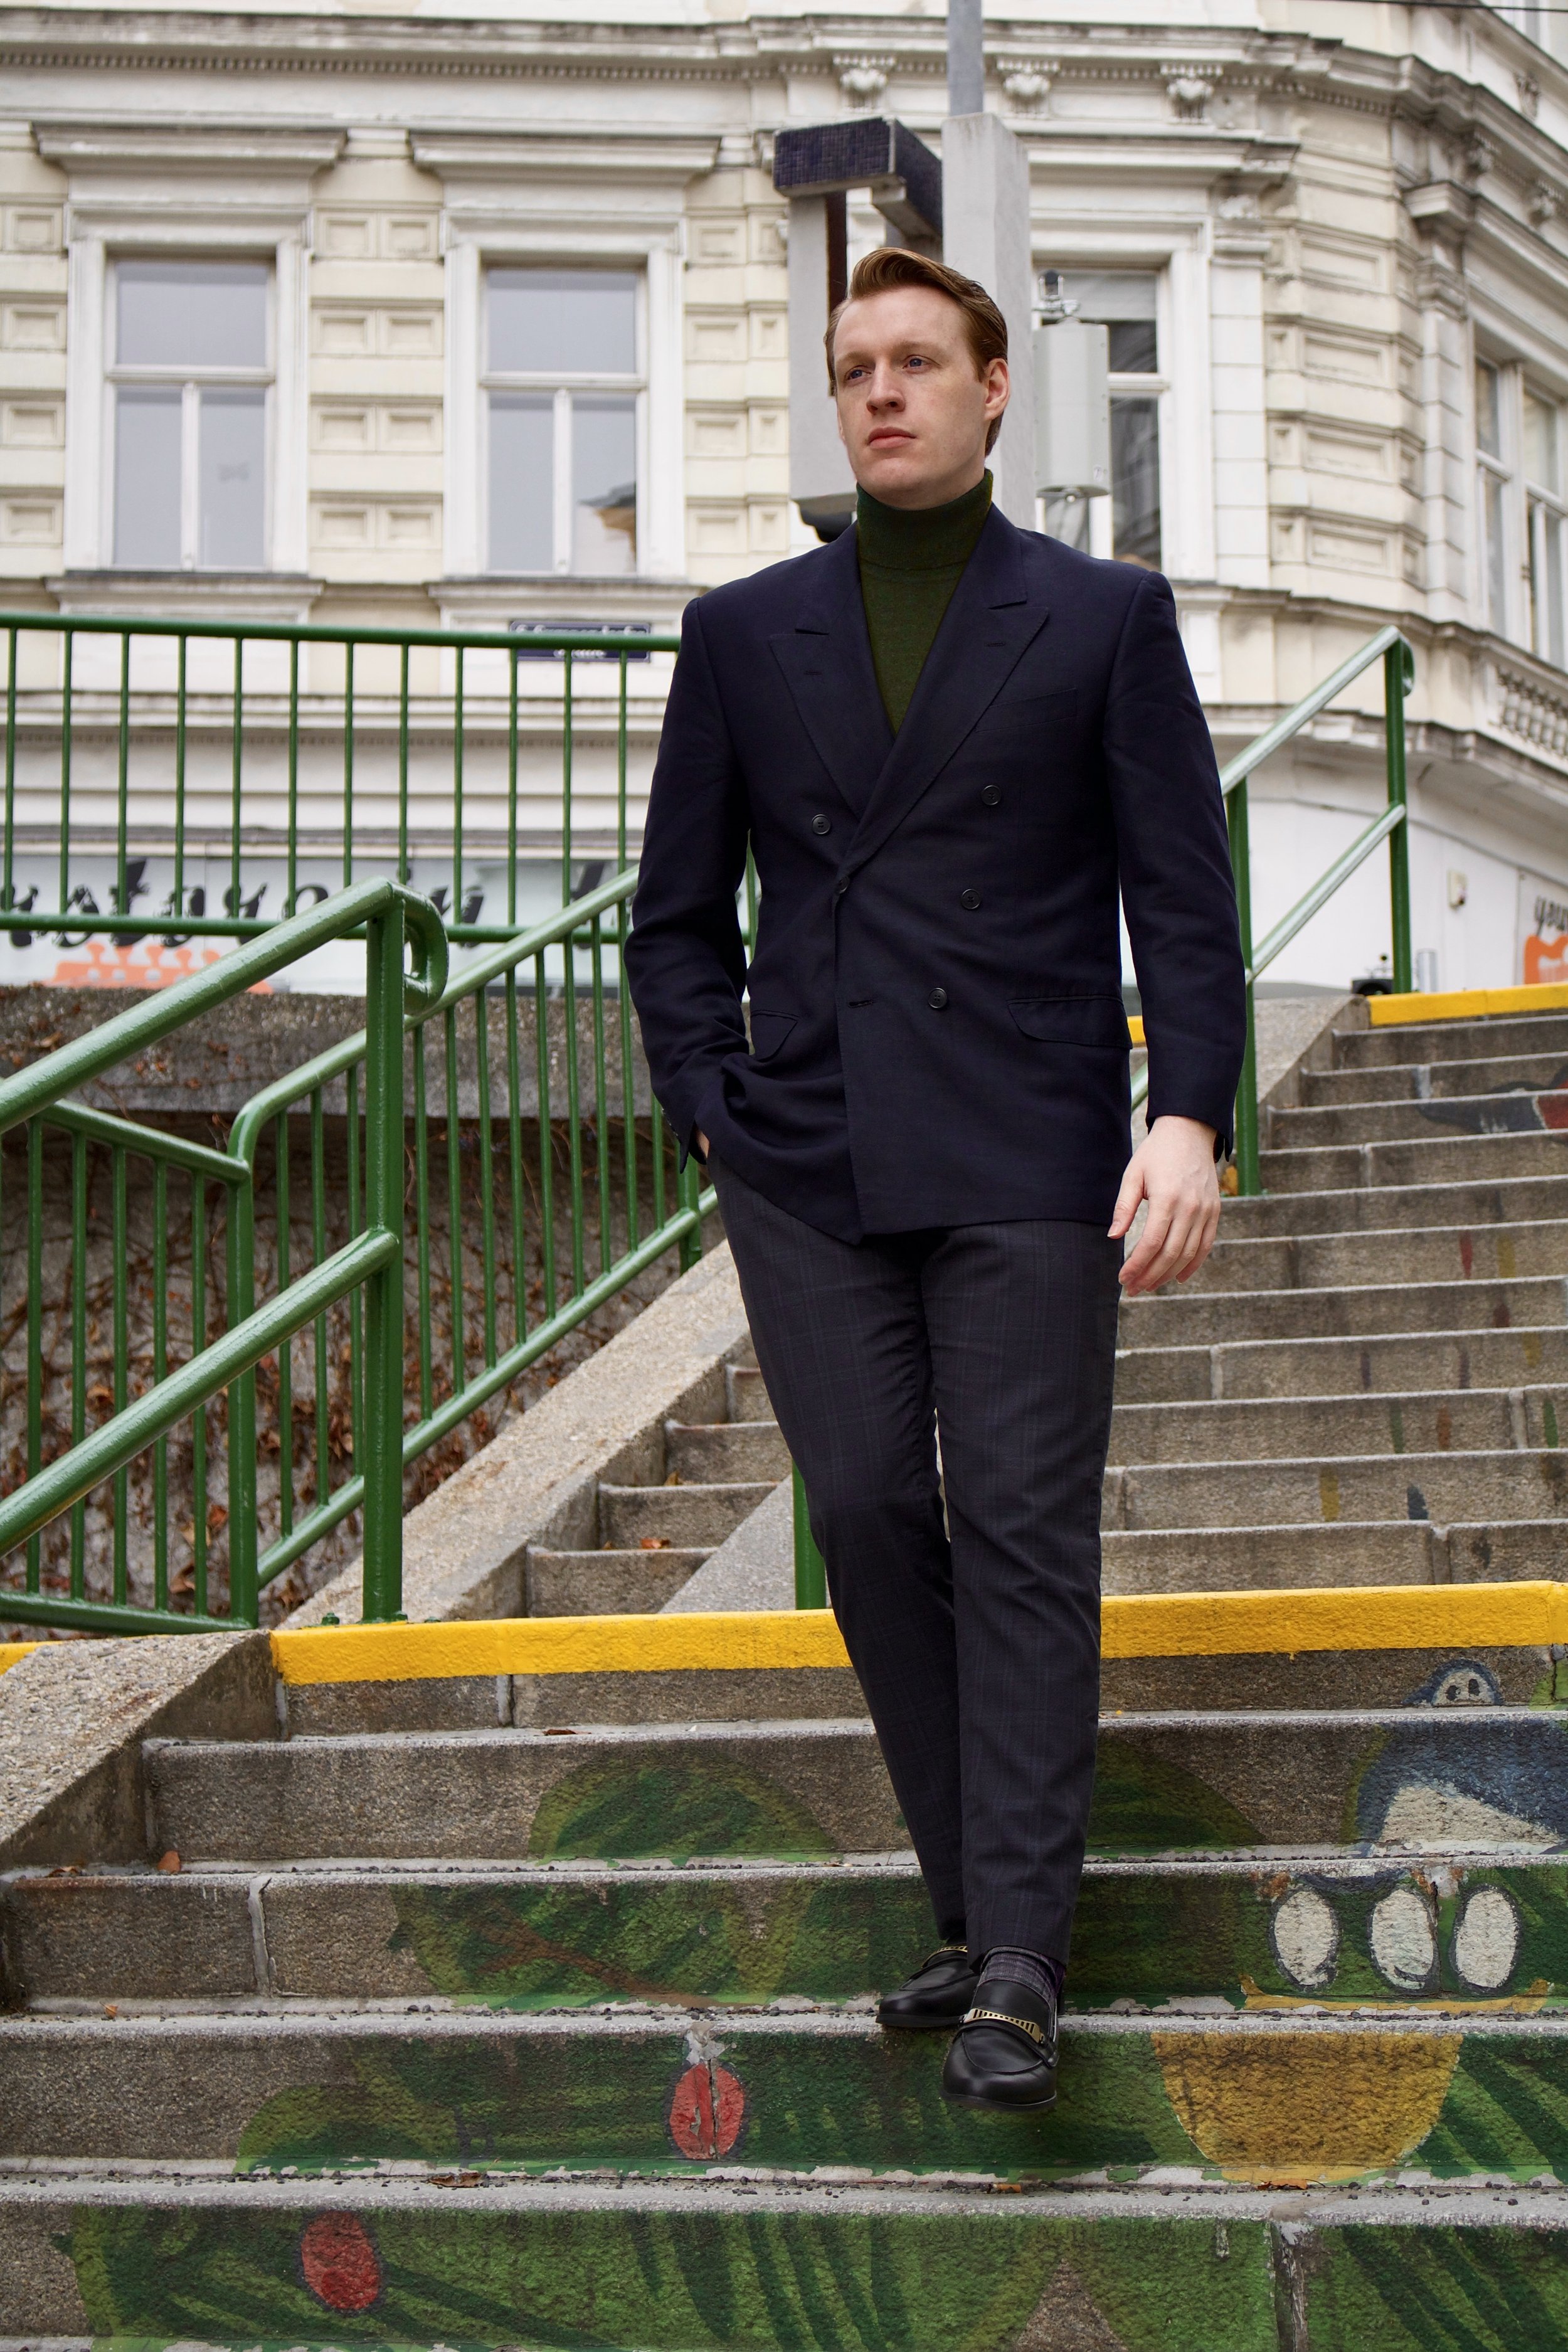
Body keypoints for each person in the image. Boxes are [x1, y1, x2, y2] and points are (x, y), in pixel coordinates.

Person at [626, 245, 1244, 2115]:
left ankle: (1021, 1957)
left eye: (914, 361)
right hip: (807, 1152)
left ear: (993, 390)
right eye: (853, 368)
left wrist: (1187, 1115)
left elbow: (1179, 898)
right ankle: (979, 1912)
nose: (879, 391)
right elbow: (670, 919)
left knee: (1030, 1531)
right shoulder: (743, 632)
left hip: (1029, 1144)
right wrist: (711, 1104)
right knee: (875, 1510)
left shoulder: (1101, 617)